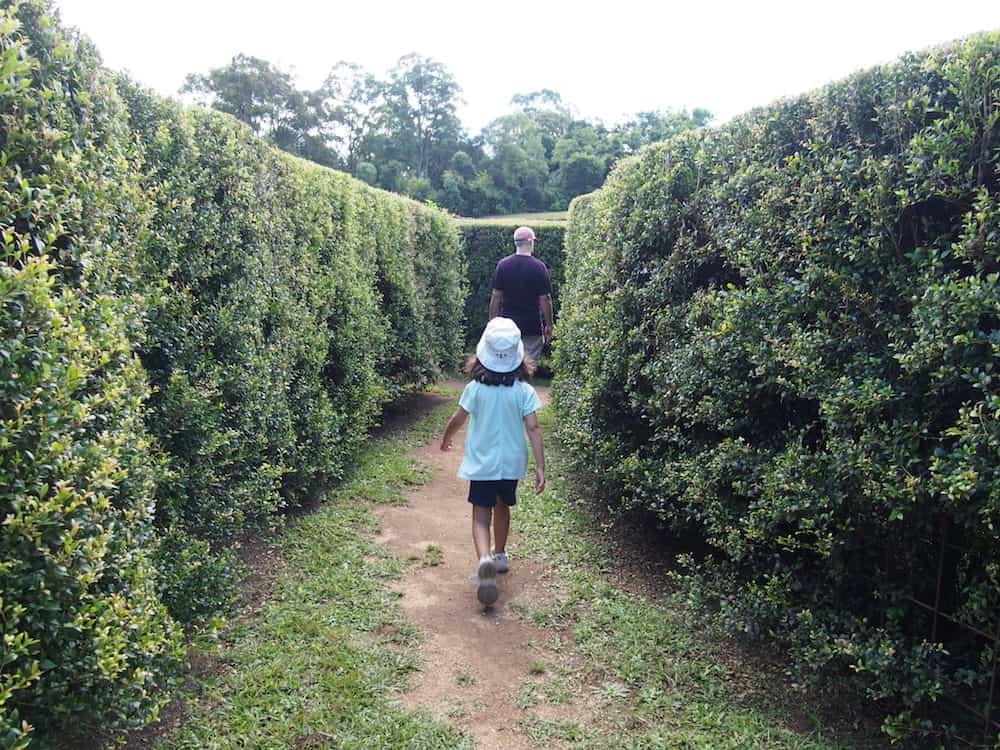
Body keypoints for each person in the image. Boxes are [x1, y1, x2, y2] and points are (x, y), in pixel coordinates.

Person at [440, 317, 545, 606]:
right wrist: (540, 466)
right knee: (502, 507)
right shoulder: (524, 391)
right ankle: (499, 554)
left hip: (482, 465)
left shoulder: (475, 388)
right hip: (510, 465)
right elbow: (534, 428)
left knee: (480, 515)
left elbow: (458, 418)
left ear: (483, 354)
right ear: (518, 356)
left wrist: (447, 437)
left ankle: (484, 558)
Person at [489, 226, 554, 365]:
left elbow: (496, 296)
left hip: (507, 327)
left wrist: (492, 323)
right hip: (532, 326)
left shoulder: (503, 265)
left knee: (507, 365)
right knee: (527, 368)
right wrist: (549, 325)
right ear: (530, 242)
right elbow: (545, 299)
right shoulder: (539, 267)